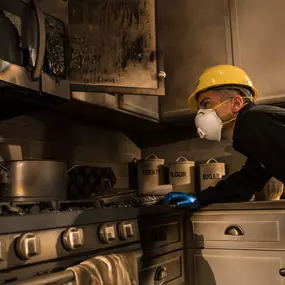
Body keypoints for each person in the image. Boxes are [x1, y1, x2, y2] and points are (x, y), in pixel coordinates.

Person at [160, 64, 285, 209]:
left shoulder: (255, 120)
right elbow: (244, 183)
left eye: (206, 104)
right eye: (199, 109)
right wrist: (199, 198)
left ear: (236, 103)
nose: (201, 114)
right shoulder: (255, 133)